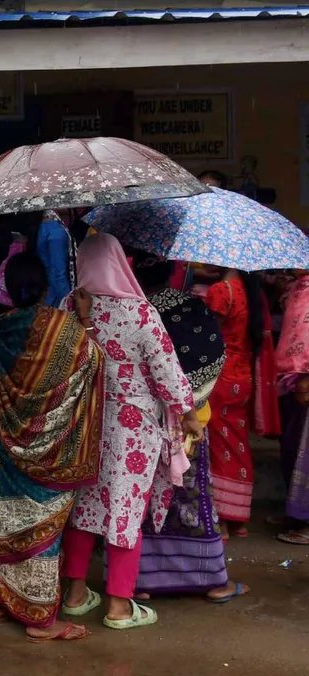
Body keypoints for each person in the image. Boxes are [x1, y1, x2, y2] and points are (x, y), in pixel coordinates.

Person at [60, 233, 200, 629]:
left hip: (84, 420)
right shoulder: (139, 313)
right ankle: (120, 606)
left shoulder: (69, 305)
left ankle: (75, 594)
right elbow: (168, 374)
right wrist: (188, 415)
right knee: (125, 507)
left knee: (83, 506)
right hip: (132, 426)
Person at [0, 253, 105, 641]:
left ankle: (1, 600)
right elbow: (93, 362)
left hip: (13, 447)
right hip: (55, 451)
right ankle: (39, 619)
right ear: (47, 287)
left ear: (7, 289)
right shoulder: (65, 328)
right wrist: (86, 319)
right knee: (45, 533)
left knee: (10, 522)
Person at [129, 251, 247, 602]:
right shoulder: (193, 309)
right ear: (171, 272)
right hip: (188, 422)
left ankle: (141, 579)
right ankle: (210, 580)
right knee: (192, 495)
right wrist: (188, 406)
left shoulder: (131, 311)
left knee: (146, 500)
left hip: (142, 424)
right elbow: (214, 358)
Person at [203, 267, 279, 537]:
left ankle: (221, 518)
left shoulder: (221, 292)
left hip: (221, 376)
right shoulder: (253, 293)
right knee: (236, 441)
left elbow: (208, 335)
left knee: (217, 443)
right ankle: (239, 518)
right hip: (244, 377)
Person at [275, 271, 309, 545]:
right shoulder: (299, 287)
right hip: (291, 378)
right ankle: (295, 513)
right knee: (291, 448)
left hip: (305, 378)